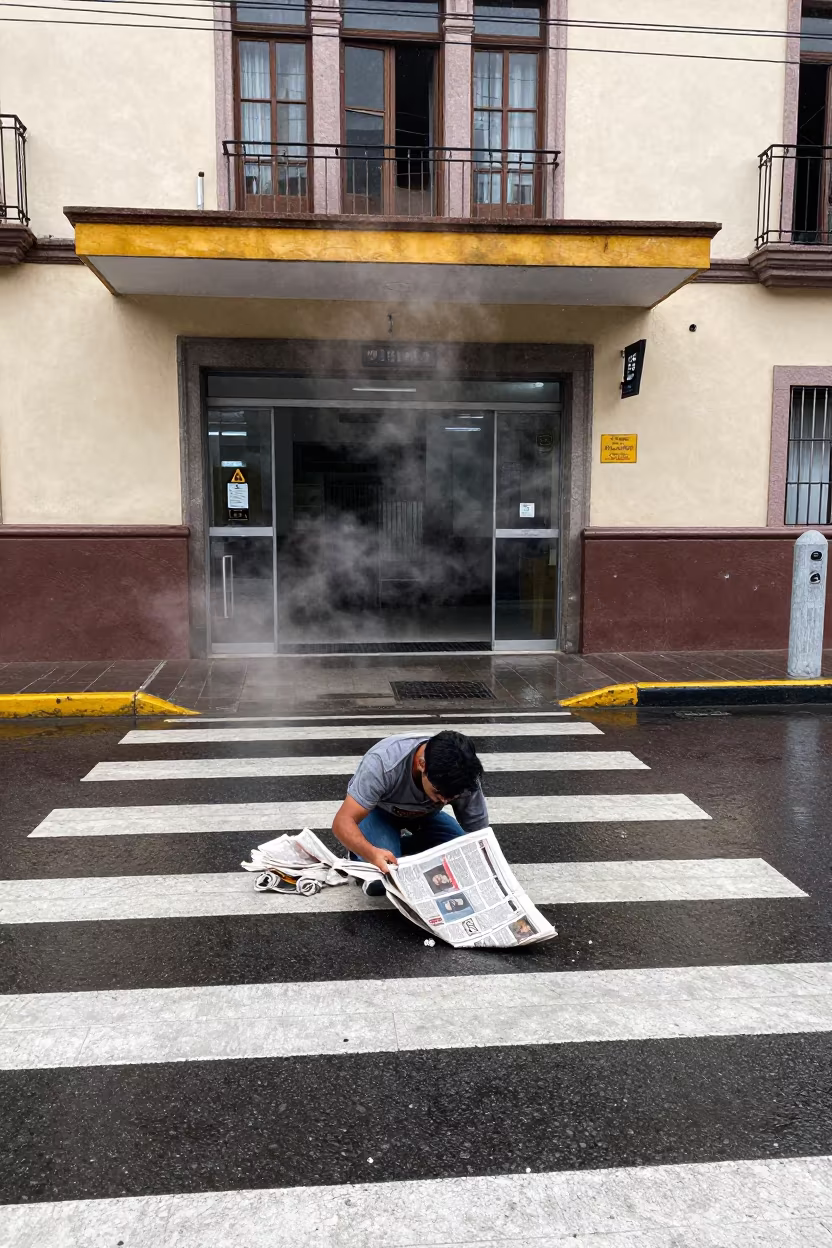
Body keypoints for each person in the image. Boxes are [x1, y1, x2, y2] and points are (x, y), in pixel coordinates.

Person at [332, 729, 488, 896]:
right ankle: (360, 852)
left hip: (426, 817)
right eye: (438, 792)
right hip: (379, 813)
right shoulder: (383, 762)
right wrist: (371, 853)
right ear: (422, 764)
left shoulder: (465, 774)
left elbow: (478, 830)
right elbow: (342, 822)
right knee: (383, 881)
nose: (444, 801)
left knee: (465, 860)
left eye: (451, 797)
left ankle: (399, 849)